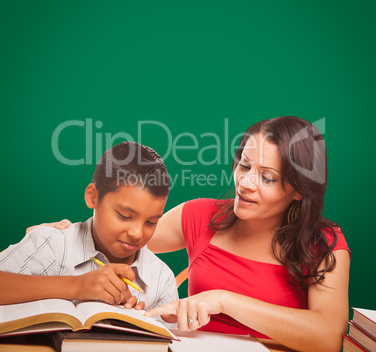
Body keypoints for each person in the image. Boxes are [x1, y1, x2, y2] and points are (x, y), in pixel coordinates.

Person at [27, 117, 350, 352]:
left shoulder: (324, 243)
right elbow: (122, 236)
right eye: (244, 165)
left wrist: (223, 301)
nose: (246, 183)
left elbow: (327, 337)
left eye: (267, 178)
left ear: (298, 190)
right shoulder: (200, 215)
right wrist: (65, 233)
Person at [0, 142, 178, 314]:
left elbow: (173, 342)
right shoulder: (52, 245)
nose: (137, 233)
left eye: (151, 222)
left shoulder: (162, 280)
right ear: (93, 197)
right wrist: (76, 286)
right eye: (124, 216)